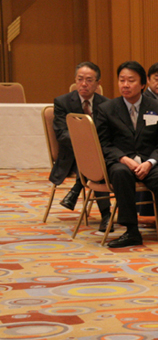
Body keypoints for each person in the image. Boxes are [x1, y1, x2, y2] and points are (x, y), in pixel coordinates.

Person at [95, 61, 158, 248]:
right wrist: (124, 159)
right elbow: (103, 144)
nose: (125, 85)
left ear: (142, 84)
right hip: (120, 161)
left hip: (148, 162)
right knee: (121, 173)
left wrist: (150, 163)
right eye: (122, 80)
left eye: (131, 80)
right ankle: (131, 231)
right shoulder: (107, 109)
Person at [51, 62, 112, 232]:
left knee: (96, 162)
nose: (83, 84)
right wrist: (87, 144)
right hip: (72, 156)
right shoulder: (62, 102)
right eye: (80, 79)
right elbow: (62, 134)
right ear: (75, 80)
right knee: (95, 164)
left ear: (98, 83)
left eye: (89, 80)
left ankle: (76, 189)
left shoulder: (106, 104)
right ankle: (106, 215)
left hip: (99, 155)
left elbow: (109, 133)